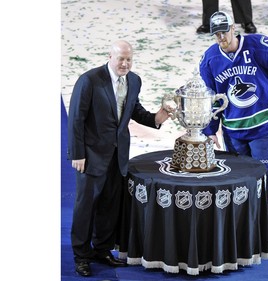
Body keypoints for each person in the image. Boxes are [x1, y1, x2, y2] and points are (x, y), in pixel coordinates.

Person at [67, 39, 171, 277]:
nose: (125, 64)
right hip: (91, 156)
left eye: (129, 59)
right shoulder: (89, 80)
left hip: (118, 156)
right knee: (86, 207)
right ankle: (81, 256)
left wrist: (158, 118)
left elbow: (134, 110)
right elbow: (76, 119)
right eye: (121, 59)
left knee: (109, 206)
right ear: (109, 56)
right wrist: (78, 154)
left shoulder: (134, 81)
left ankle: (101, 250)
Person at [199, 11, 268, 221]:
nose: (221, 37)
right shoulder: (209, 60)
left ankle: (265, 237)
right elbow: (212, 98)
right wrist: (210, 131)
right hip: (234, 131)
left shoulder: (257, 45)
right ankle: (247, 232)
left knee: (266, 177)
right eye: (216, 34)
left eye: (224, 31)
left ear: (233, 29)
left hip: (265, 126)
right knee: (241, 179)